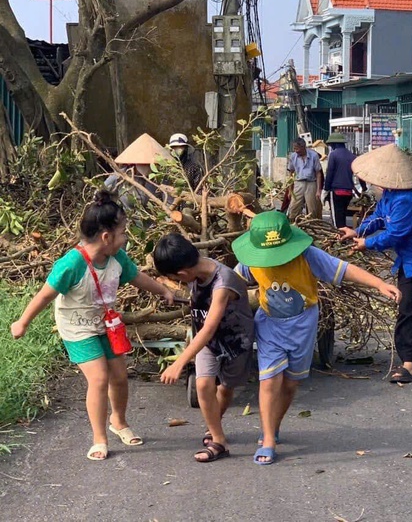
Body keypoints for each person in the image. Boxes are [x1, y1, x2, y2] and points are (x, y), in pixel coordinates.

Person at [10, 190, 175, 461]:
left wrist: (163, 291)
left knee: (120, 377)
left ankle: (118, 422)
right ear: (106, 237)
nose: (125, 238)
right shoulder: (72, 263)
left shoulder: (117, 258)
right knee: (99, 378)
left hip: (108, 326)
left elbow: (137, 278)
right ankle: (100, 438)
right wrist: (23, 322)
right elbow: (45, 294)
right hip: (77, 328)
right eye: (123, 232)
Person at [231, 211, 401, 465]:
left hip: (303, 325)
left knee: (290, 384)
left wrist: (378, 284)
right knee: (269, 381)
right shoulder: (251, 260)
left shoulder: (306, 255)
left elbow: (344, 270)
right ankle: (268, 440)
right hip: (269, 325)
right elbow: (229, 283)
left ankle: (273, 425)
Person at [340, 143, 412, 383]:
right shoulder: (388, 196)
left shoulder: (408, 200)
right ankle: (408, 364)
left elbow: (395, 235)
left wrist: (366, 244)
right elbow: (379, 218)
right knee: (406, 311)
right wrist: (357, 231)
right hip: (409, 263)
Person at [152, 233, 254, 463]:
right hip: (207, 342)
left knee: (226, 390)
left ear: (183, 273)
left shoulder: (223, 282)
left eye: (174, 279)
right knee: (203, 383)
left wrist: (179, 362)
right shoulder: (193, 271)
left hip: (235, 341)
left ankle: (214, 425)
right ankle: (219, 441)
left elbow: (209, 327)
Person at [105, 133, 172, 210]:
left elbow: (169, 204)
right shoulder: (120, 175)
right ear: (135, 162)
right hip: (126, 219)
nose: (148, 166)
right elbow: (101, 192)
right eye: (144, 164)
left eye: (150, 164)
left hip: (150, 219)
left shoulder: (161, 178)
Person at [322, 132, 361, 229]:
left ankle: (339, 237)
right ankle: (344, 235)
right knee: (342, 215)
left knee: (336, 220)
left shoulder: (333, 155)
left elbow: (330, 173)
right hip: (348, 192)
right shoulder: (352, 156)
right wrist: (363, 189)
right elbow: (359, 173)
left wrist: (326, 189)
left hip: (336, 191)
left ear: (334, 144)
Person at [287, 137, 324, 220]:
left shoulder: (314, 155)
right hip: (298, 183)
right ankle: (293, 224)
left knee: (312, 209)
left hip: (311, 183)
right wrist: (290, 190)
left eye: (297, 148)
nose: (296, 150)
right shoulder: (293, 156)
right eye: (294, 148)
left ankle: (312, 228)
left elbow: (318, 173)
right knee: (294, 207)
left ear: (303, 147)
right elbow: (290, 173)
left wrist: (318, 190)